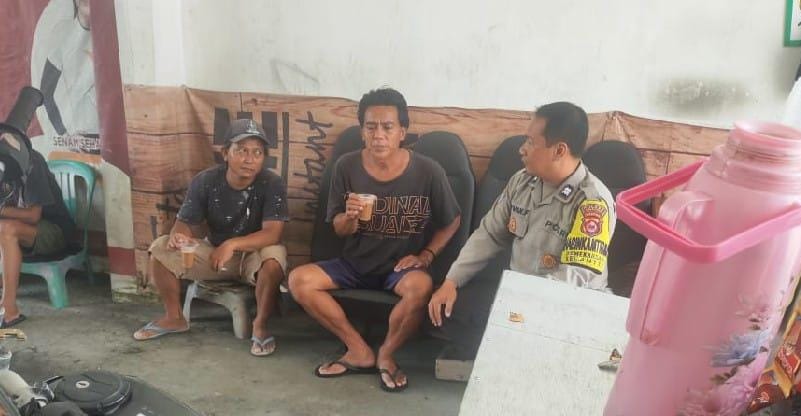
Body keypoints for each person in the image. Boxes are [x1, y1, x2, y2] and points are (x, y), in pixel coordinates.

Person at [289, 88, 461, 392]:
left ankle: (387, 354)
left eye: (387, 127)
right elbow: (338, 228)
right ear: (362, 132)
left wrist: (427, 255)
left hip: (400, 268)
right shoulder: (346, 166)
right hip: (354, 263)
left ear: (402, 132)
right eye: (371, 127)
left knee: (421, 287)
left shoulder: (428, 171)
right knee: (298, 281)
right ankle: (358, 350)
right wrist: (350, 217)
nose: (379, 135)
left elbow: (452, 220)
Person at [427, 101, 616, 360]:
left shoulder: (592, 202)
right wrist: (452, 280)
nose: (522, 149)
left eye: (530, 142)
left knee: (526, 337)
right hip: (518, 295)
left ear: (559, 150)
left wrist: (520, 310)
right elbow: (489, 234)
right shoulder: (522, 181)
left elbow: (573, 277)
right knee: (448, 308)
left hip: (566, 306)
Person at [133, 119, 289, 357]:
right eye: (242, 150)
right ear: (225, 153)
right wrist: (179, 237)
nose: (249, 159)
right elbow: (185, 222)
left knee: (275, 258)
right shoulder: (206, 180)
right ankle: (174, 317)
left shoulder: (271, 182)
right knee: (161, 248)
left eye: (257, 152)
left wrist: (233, 244)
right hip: (216, 256)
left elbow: (273, 233)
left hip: (254, 255)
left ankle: (260, 325)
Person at [0, 130, 75, 328]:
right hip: (23, 233)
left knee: (6, 229)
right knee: (4, 228)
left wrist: (1, 210)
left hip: (54, 232)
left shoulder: (33, 162)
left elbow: (34, 216)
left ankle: (9, 310)